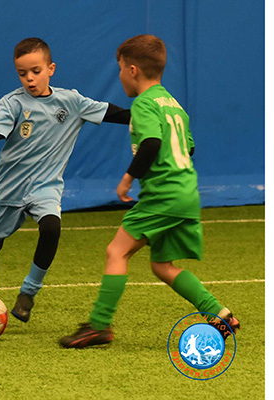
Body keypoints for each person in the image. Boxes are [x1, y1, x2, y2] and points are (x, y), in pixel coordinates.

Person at [59, 34, 240, 349]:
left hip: (163, 195)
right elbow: (189, 147)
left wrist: (128, 178)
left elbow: (152, 143)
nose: (119, 75)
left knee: (117, 252)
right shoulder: (173, 104)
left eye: (120, 69)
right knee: (162, 266)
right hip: (186, 192)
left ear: (132, 70)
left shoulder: (143, 104)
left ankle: (99, 326)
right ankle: (219, 313)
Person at [0, 38, 131, 323]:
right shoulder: (12, 103)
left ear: (51, 69)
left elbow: (111, 112)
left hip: (45, 187)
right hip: (10, 188)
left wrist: (142, 117)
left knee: (51, 228)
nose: (29, 78)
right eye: (22, 73)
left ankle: (28, 293)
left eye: (35, 71)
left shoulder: (71, 101)